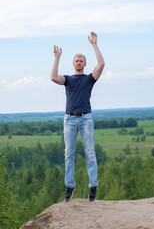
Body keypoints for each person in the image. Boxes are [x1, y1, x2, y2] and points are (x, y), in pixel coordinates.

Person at [51, 32, 105, 202]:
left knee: (90, 152)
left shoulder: (90, 79)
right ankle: (70, 185)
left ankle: (93, 185)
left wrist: (94, 44)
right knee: (69, 153)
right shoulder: (67, 79)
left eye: (81, 60)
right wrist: (57, 58)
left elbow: (101, 63)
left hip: (86, 119)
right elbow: (53, 77)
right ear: (73, 63)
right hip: (69, 120)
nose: (79, 62)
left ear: (85, 64)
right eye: (76, 60)